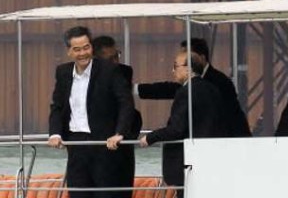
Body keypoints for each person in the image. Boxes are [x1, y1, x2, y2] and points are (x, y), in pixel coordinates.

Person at [48, 26, 136, 198]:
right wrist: (55, 134)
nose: (83, 53)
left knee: (106, 193)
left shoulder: (109, 70)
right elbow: (57, 106)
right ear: (69, 52)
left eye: (86, 47)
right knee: (78, 193)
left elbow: (126, 102)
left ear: (92, 48)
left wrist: (120, 133)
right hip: (76, 145)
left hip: (104, 144)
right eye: (77, 49)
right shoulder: (63, 72)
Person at [139, 50, 224, 197]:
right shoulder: (212, 90)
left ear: (188, 68)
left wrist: (151, 137)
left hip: (186, 164)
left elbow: (177, 129)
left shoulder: (186, 92)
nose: (173, 70)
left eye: (175, 66)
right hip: (210, 158)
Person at [136, 37, 250, 137]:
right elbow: (169, 89)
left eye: (187, 54)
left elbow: (225, 115)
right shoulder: (193, 82)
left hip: (231, 137)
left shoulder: (218, 81)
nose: (182, 57)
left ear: (201, 57)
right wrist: (136, 89)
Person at [92, 35, 141, 198]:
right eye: (110, 58)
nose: (115, 62)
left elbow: (125, 104)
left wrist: (121, 132)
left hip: (119, 141)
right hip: (95, 143)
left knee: (121, 187)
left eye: (117, 56)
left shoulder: (123, 72)